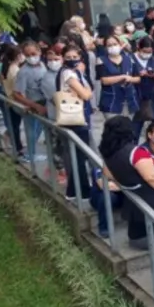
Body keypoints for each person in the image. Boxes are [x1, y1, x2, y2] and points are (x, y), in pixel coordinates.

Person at [100, 117, 154, 272]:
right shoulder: (137, 152)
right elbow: (152, 178)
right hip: (150, 197)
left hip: (132, 195)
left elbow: (108, 174)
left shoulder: (109, 153)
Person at [56, 44, 95, 201]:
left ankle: (72, 191)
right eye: (69, 57)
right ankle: (83, 192)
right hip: (75, 120)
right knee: (79, 157)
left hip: (77, 118)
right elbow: (86, 94)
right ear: (63, 58)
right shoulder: (69, 74)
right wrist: (87, 91)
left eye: (75, 57)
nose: (73, 60)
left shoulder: (73, 72)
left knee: (78, 157)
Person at [12, 41, 50, 160]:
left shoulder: (43, 65)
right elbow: (17, 94)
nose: (31, 57)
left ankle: (32, 152)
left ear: (39, 51)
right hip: (34, 104)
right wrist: (35, 106)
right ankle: (30, 155)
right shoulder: (23, 72)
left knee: (40, 130)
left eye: (33, 53)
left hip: (46, 102)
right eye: (27, 55)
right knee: (32, 131)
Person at [96, 35, 140, 120]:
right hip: (111, 101)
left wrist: (130, 79)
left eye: (115, 44)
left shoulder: (129, 59)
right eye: (109, 45)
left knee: (128, 128)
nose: (113, 46)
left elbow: (138, 78)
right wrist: (123, 77)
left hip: (129, 100)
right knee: (114, 128)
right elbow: (104, 80)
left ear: (120, 44)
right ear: (105, 47)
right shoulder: (101, 60)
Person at [132, 37, 154, 139]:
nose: (147, 54)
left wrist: (153, 75)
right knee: (136, 126)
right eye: (145, 51)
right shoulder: (131, 59)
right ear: (139, 48)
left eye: (150, 52)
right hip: (137, 96)